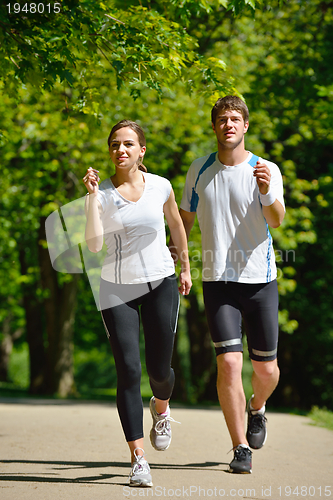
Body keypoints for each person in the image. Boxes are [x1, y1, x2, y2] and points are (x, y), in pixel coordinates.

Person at [177, 96, 285, 474]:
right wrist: (178, 262)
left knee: (267, 370)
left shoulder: (264, 168)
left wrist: (268, 190)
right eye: (222, 119)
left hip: (260, 282)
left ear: (246, 126)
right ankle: (240, 447)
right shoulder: (199, 169)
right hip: (217, 281)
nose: (229, 125)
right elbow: (183, 222)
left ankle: (257, 408)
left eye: (235, 119)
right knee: (228, 364)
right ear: (214, 127)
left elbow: (278, 219)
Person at [83, 119, 192, 487]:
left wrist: (185, 267)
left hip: (160, 281)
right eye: (115, 144)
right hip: (116, 289)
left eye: (128, 144)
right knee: (129, 371)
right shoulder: (101, 194)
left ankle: (160, 408)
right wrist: (90, 201)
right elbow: (95, 246)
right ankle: (138, 458)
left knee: (160, 371)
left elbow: (176, 224)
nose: (121, 150)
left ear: (141, 150)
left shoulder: (160, 185)